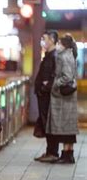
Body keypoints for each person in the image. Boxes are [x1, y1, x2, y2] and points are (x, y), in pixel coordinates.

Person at [46, 34, 79, 164]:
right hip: (69, 97)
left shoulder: (63, 57)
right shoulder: (71, 55)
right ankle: (68, 153)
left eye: (59, 43)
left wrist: (55, 84)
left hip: (63, 97)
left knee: (65, 127)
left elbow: (67, 77)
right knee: (69, 127)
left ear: (63, 45)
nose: (57, 45)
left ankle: (66, 155)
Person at [34, 30, 59, 162]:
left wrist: (45, 87)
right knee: (47, 123)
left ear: (52, 40)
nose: (42, 41)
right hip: (44, 95)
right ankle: (50, 151)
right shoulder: (49, 55)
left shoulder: (54, 56)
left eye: (45, 38)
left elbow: (54, 76)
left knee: (50, 123)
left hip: (48, 96)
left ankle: (53, 152)